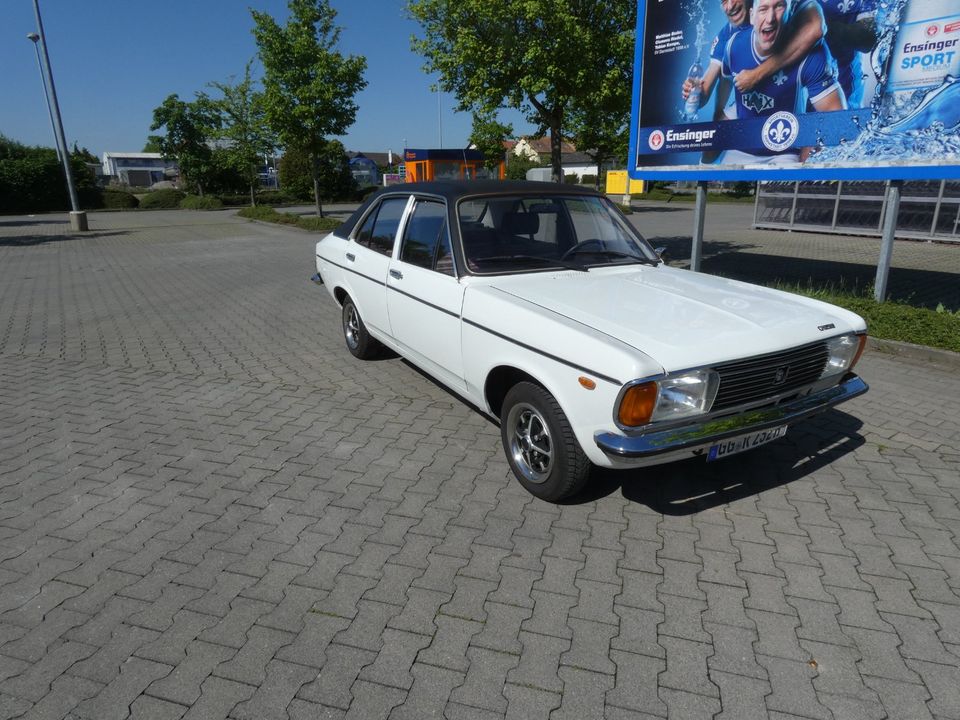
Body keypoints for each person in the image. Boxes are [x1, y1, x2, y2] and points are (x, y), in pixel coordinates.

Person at [721, 0, 845, 163]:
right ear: (752, 16)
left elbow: (837, 116)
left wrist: (812, 138)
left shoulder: (812, 54)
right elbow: (724, 86)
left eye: (779, 7)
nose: (770, 18)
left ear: (790, 13)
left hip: (784, 152)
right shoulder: (734, 44)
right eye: (763, 9)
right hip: (742, 146)